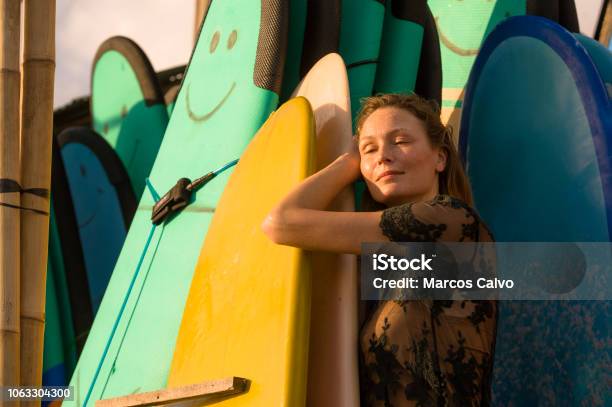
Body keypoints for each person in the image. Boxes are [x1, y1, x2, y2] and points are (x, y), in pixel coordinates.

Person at [261, 93, 497, 406]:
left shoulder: (451, 219)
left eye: (400, 141)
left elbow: (281, 222)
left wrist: (346, 162)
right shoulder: (378, 272)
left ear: (440, 158)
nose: (383, 156)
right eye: (368, 149)